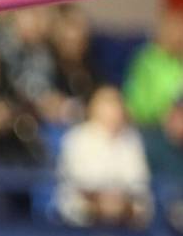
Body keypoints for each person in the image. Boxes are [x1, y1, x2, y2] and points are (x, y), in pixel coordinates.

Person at [57, 86, 151, 227]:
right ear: (94, 108)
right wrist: (103, 202)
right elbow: (77, 183)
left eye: (116, 104)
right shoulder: (76, 138)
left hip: (126, 216)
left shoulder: (132, 139)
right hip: (83, 218)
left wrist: (121, 203)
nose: (113, 111)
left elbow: (140, 183)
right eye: (107, 104)